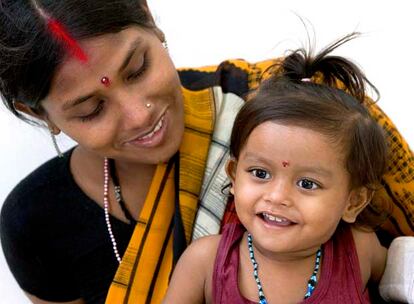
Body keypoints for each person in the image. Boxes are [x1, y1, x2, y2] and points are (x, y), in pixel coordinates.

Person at [0, 0, 412, 303]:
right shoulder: (35, 222)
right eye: (91, 109)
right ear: (38, 113)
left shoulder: (307, 113)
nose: (139, 115)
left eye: (139, 67)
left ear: (148, 15)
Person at [162, 34, 399, 304]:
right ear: (234, 176)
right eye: (260, 174)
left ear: (353, 202)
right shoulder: (205, 262)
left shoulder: (358, 251)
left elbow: (405, 281)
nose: (276, 197)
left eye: (307, 184)